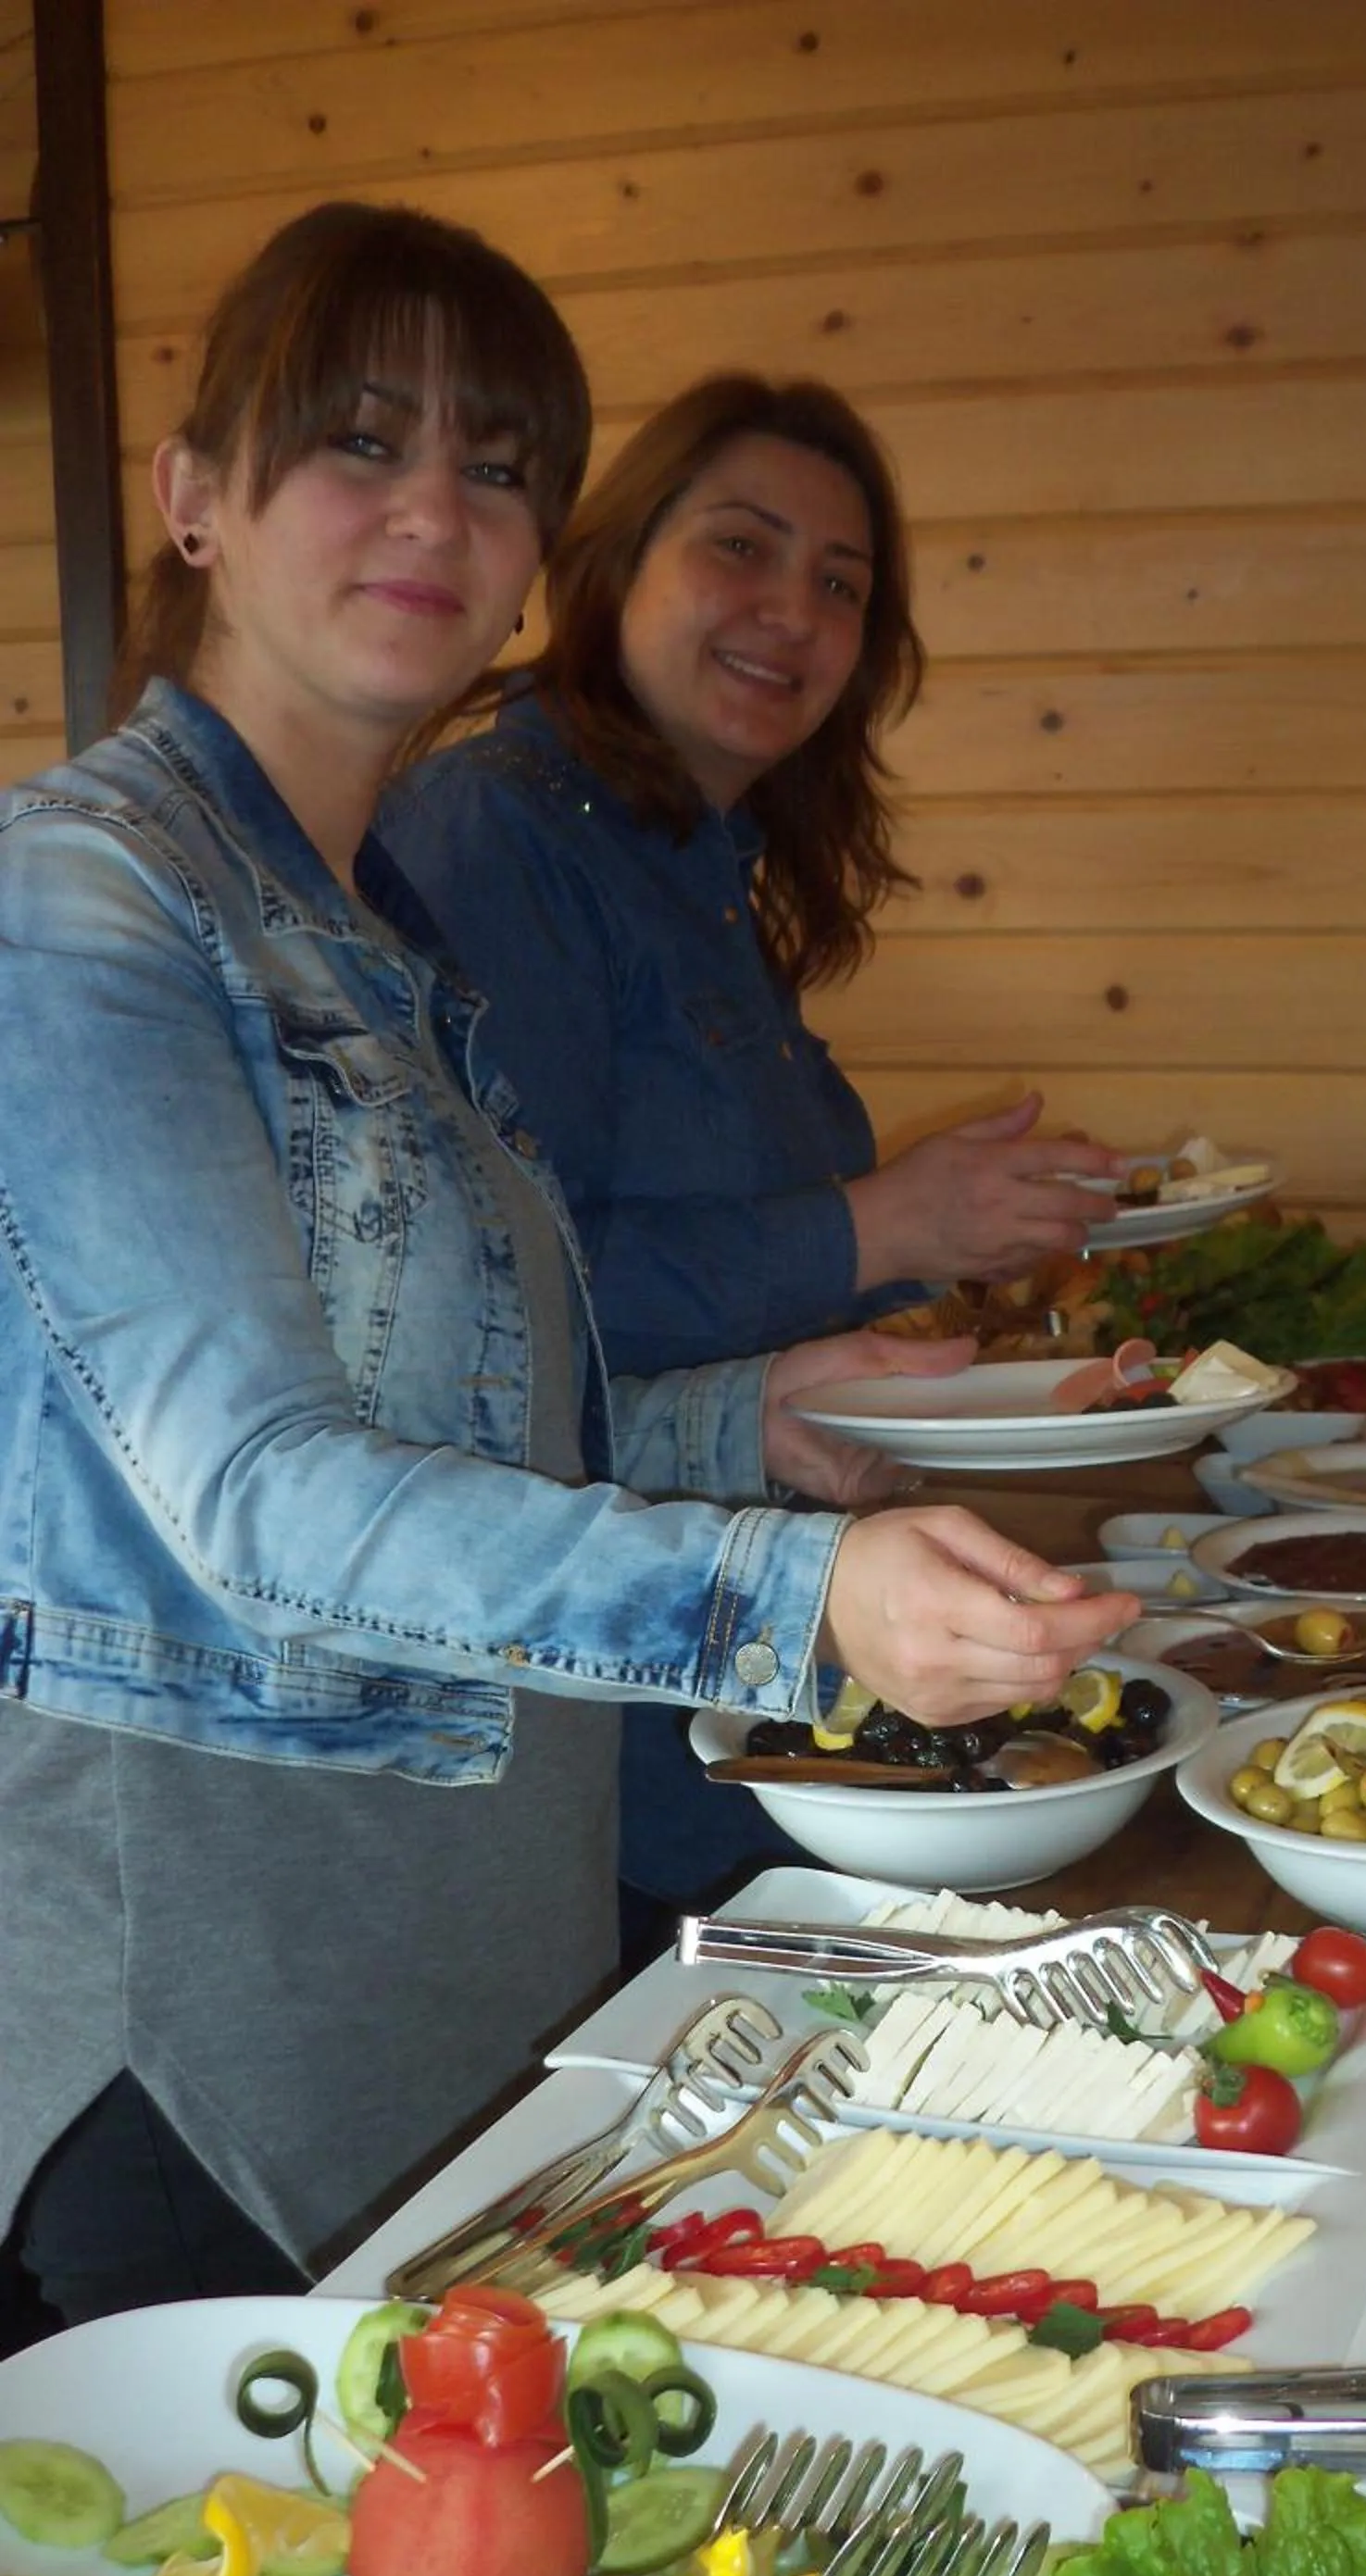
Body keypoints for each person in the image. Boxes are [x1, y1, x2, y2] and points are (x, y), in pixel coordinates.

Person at [0, 206, 1134, 2327]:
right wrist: (782, 1599)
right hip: (216, 2042)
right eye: (358, 442)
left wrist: (746, 1425)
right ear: (196, 498)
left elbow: (468, 1410)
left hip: (462, 1965)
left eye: (499, 464)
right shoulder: (85, 905)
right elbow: (249, 1496)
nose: (436, 506)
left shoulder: (381, 938)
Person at [374, 374, 1127, 1937]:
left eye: (840, 584)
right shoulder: (495, 830)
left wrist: (948, 1290)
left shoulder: (700, 866)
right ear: (612, 565)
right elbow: (508, 1301)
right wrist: (880, 1222)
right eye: (740, 546)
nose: (791, 609)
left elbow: (733, 1250)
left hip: (752, 1671)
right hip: (601, 1729)